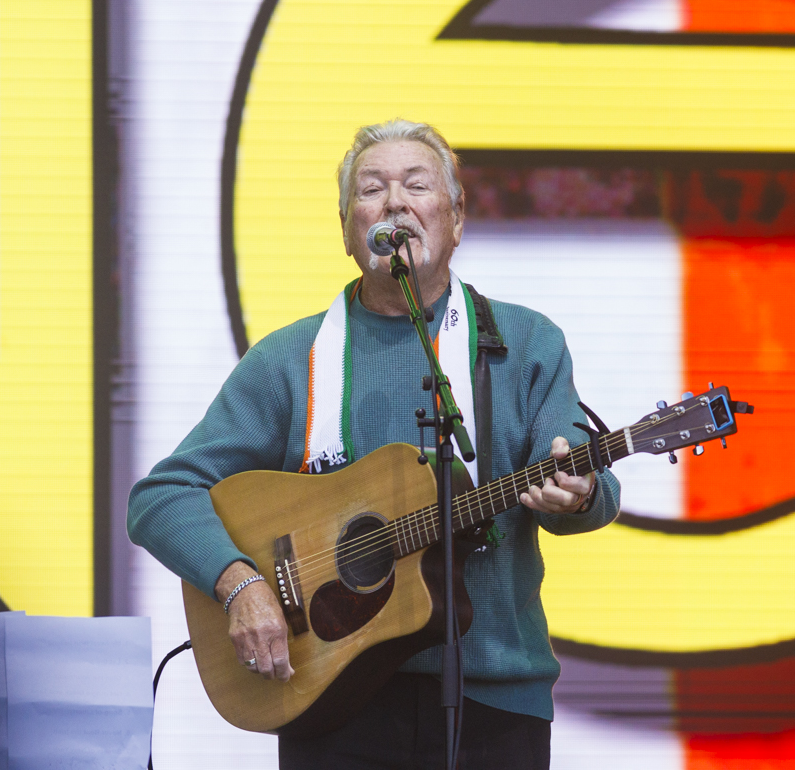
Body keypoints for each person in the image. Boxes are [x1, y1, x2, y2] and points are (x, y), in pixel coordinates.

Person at [127, 118, 620, 769]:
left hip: (496, 703)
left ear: (457, 216)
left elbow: (594, 488)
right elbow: (160, 498)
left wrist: (579, 493)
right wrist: (238, 582)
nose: (394, 202)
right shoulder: (290, 359)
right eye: (371, 189)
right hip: (330, 700)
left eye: (416, 185)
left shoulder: (526, 344)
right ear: (346, 229)